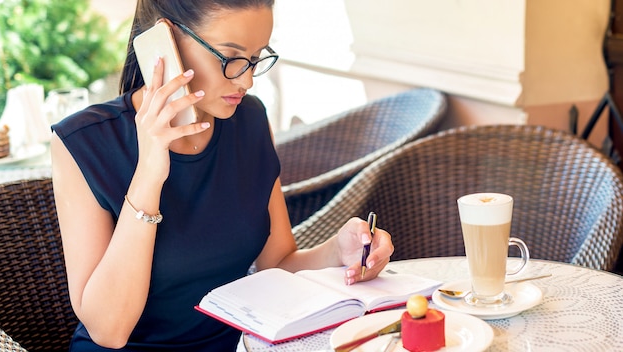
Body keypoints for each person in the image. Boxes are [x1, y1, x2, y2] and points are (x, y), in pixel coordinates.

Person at [50, 0, 395, 351]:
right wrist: (149, 175)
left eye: (257, 58)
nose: (246, 80)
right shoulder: (82, 143)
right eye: (230, 58)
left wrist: (338, 250)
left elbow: (275, 264)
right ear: (165, 41)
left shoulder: (250, 120)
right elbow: (109, 331)